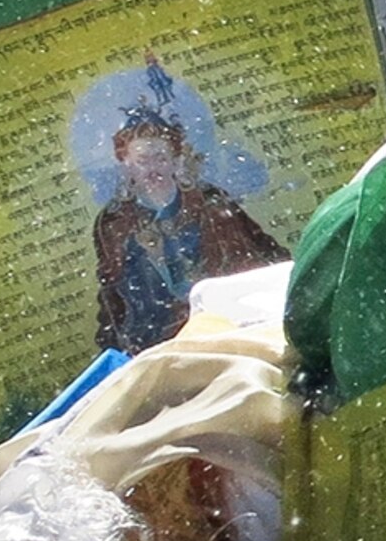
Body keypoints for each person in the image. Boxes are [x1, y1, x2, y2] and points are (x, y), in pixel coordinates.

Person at [91, 70, 285, 353]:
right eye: (142, 160)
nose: (152, 168)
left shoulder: (209, 202)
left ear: (176, 160)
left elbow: (260, 253)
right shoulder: (115, 222)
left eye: (160, 157)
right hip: (163, 340)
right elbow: (116, 294)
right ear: (127, 166)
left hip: (229, 323)